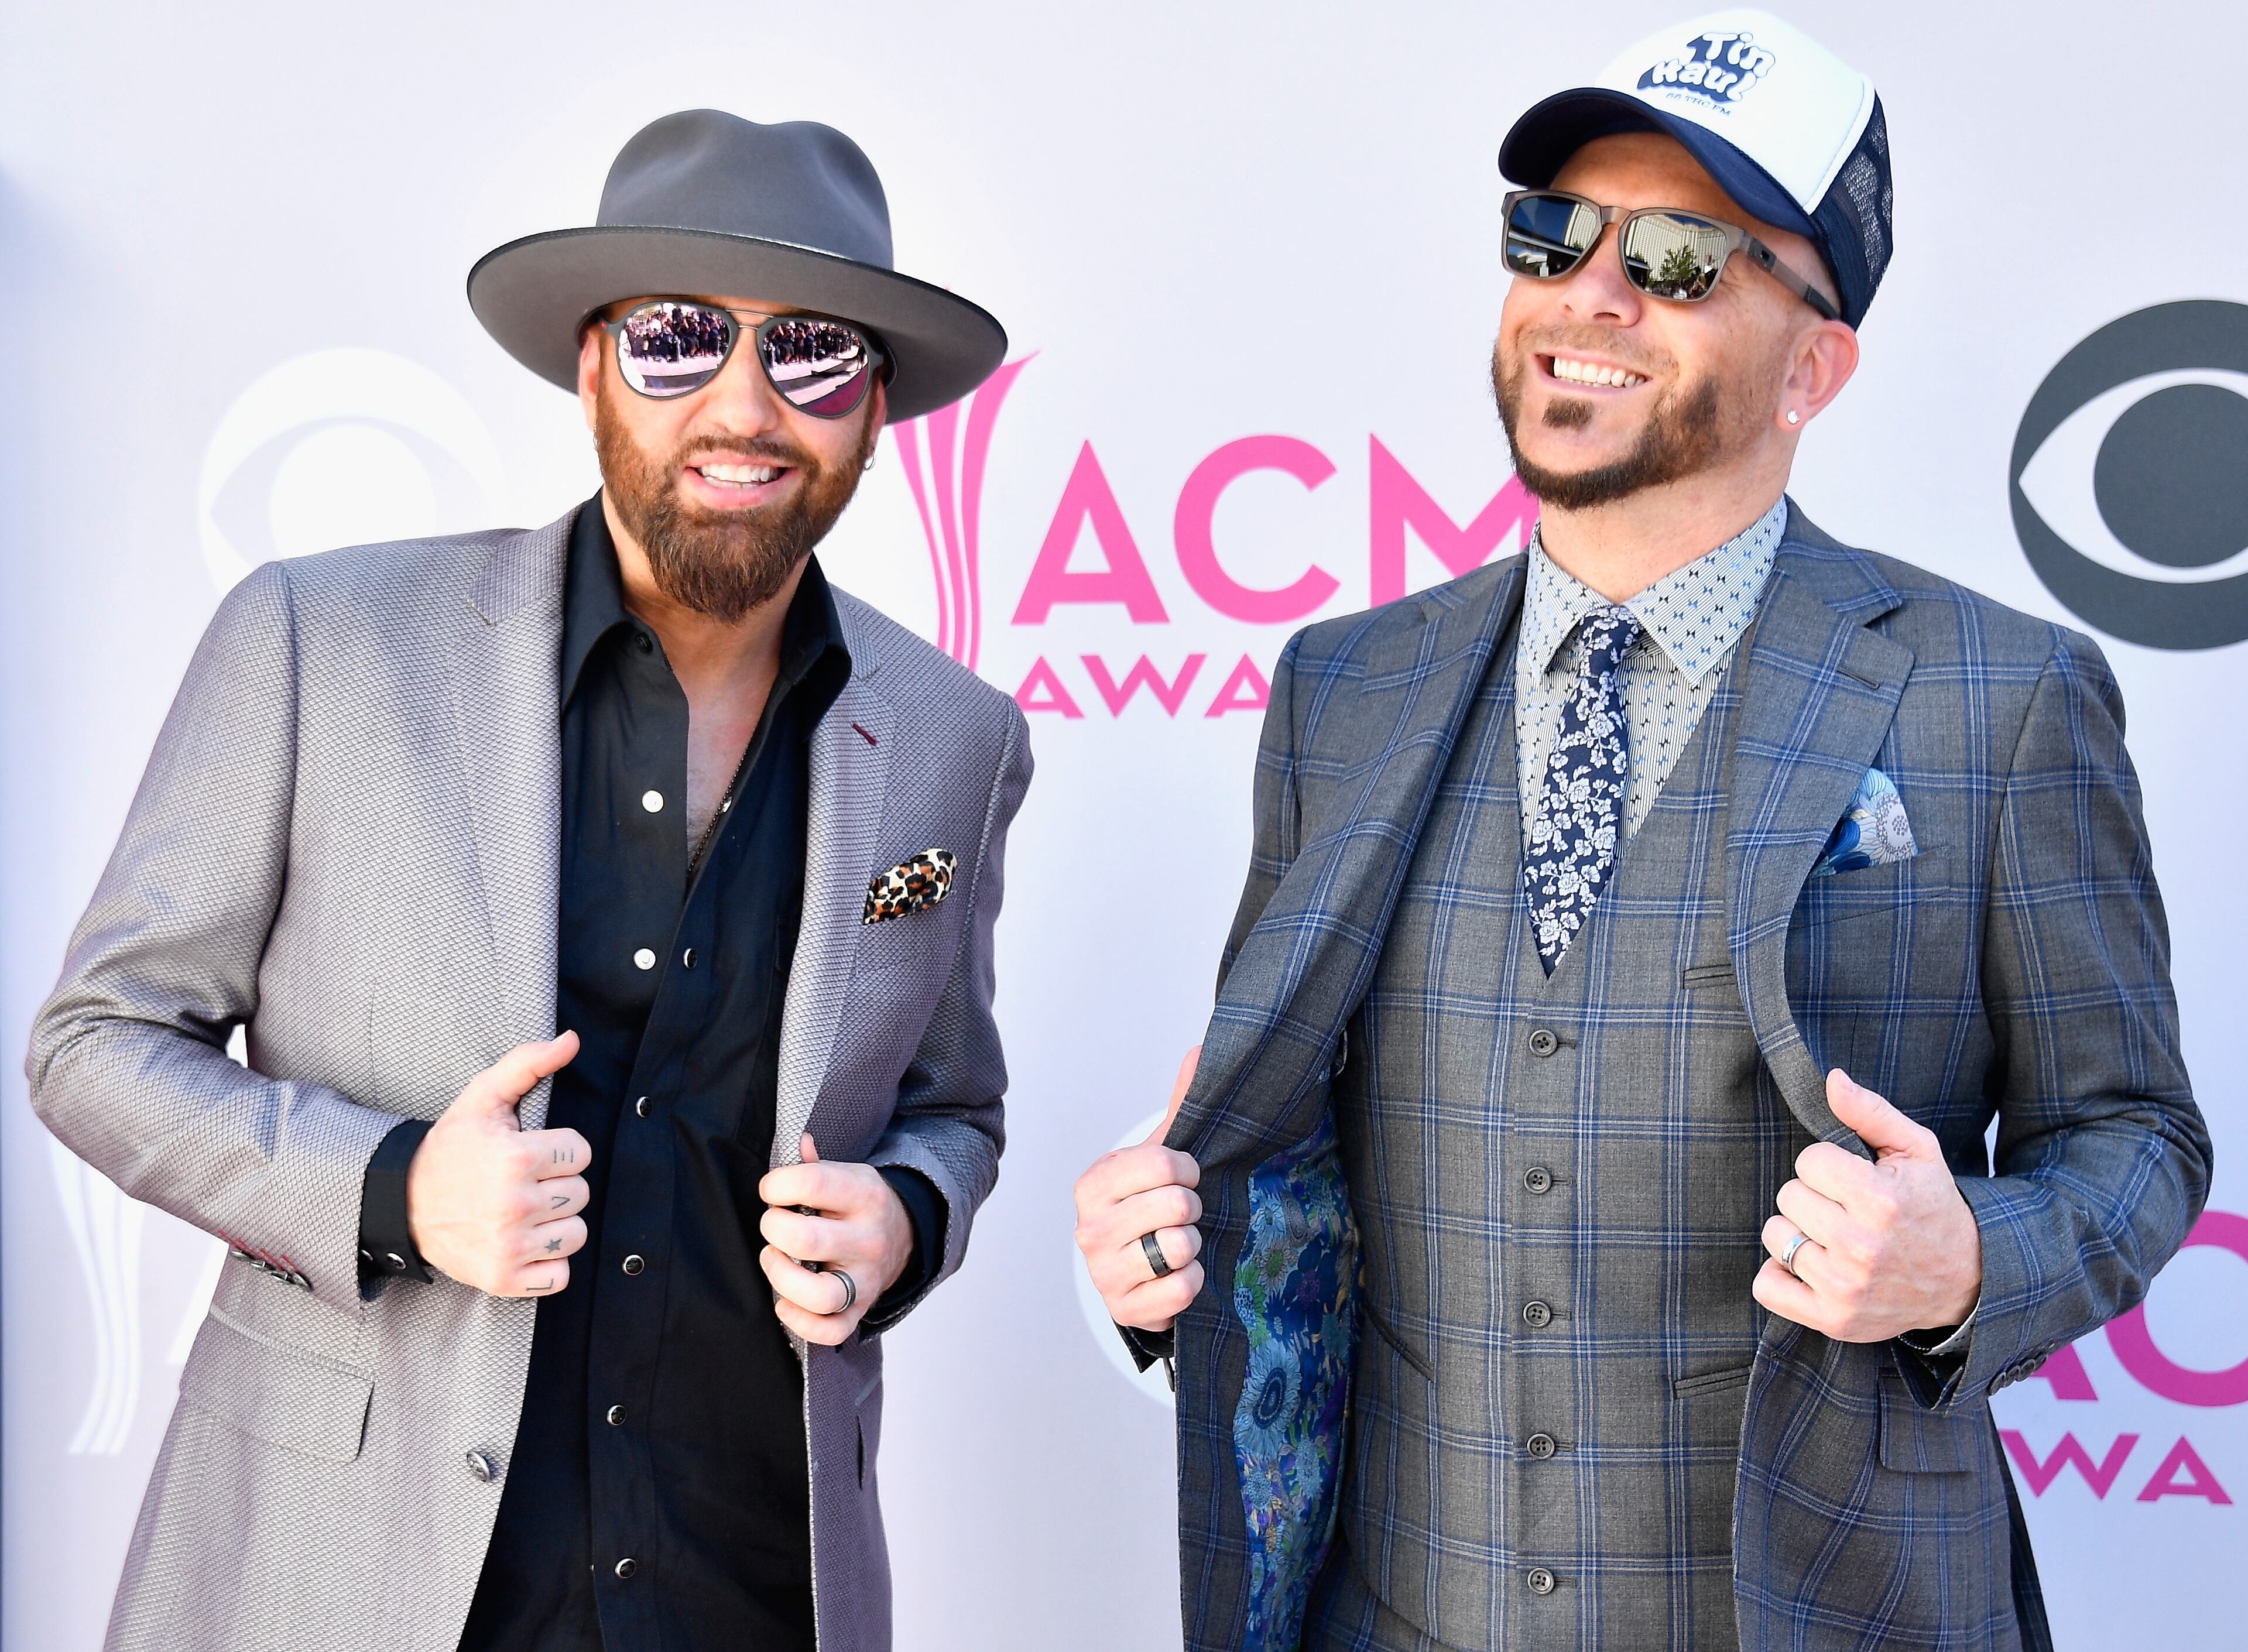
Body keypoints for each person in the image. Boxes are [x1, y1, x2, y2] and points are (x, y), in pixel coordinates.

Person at [1072, 13, 2210, 1651]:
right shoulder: (1345, 688)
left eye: (1677, 257)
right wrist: (1172, 1250)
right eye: (1554, 233)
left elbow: (2137, 1138)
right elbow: (1286, 1144)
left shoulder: (2003, 695)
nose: (1590, 294)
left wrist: (1968, 1259)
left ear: (1814, 367)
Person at [29, 109, 1029, 1652]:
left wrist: (903, 1216)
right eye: (681, 339)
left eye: (812, 352)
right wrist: (392, 1188)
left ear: (876, 406)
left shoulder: (957, 737)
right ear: (593, 366)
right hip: (357, 1582)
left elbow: (954, 1109)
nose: (746, 405)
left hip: (749, 1586)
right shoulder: (318, 642)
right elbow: (95, 1045)